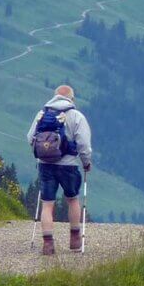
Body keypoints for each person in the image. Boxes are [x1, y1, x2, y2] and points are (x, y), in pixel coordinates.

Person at [27, 85, 92, 255]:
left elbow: (29, 137)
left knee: (47, 204)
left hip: (45, 165)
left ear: (55, 96)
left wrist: (42, 152)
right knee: (72, 199)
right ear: (71, 98)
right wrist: (86, 162)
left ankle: (48, 244)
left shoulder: (41, 115)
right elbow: (84, 144)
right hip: (68, 165)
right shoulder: (76, 116)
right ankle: (75, 238)